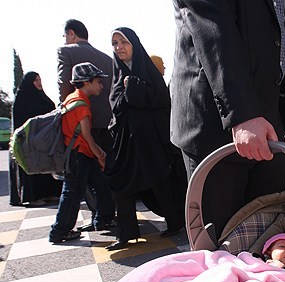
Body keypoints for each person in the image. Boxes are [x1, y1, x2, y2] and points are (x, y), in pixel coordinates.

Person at [170, 1, 285, 242]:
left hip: (269, 120)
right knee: (220, 251)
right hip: (219, 124)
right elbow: (211, 23)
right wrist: (242, 114)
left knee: (266, 242)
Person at [105, 27, 186, 251]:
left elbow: (161, 102)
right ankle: (126, 234)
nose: (119, 47)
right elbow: (116, 106)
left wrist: (134, 89)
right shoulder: (117, 76)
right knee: (123, 187)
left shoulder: (149, 73)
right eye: (114, 43)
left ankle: (175, 222)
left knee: (161, 182)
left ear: (134, 45)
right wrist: (130, 92)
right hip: (126, 144)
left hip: (151, 141)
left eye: (123, 42)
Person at [48, 63, 114, 244]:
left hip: (80, 154)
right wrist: (99, 153)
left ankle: (104, 219)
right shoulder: (81, 104)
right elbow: (86, 134)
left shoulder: (71, 98)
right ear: (87, 82)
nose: (101, 86)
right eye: (98, 82)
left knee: (100, 186)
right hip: (79, 155)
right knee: (72, 193)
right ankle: (59, 231)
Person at [57, 19, 113, 152]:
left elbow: (63, 84)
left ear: (71, 33)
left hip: (80, 127)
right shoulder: (108, 59)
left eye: (65, 36)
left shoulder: (65, 51)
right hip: (107, 123)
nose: (65, 40)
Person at [9, 72, 63, 206]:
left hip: (44, 140)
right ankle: (33, 197)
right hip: (28, 142)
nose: (39, 83)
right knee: (31, 165)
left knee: (46, 165)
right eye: (35, 81)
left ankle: (49, 193)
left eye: (40, 80)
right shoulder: (22, 100)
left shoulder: (42, 97)